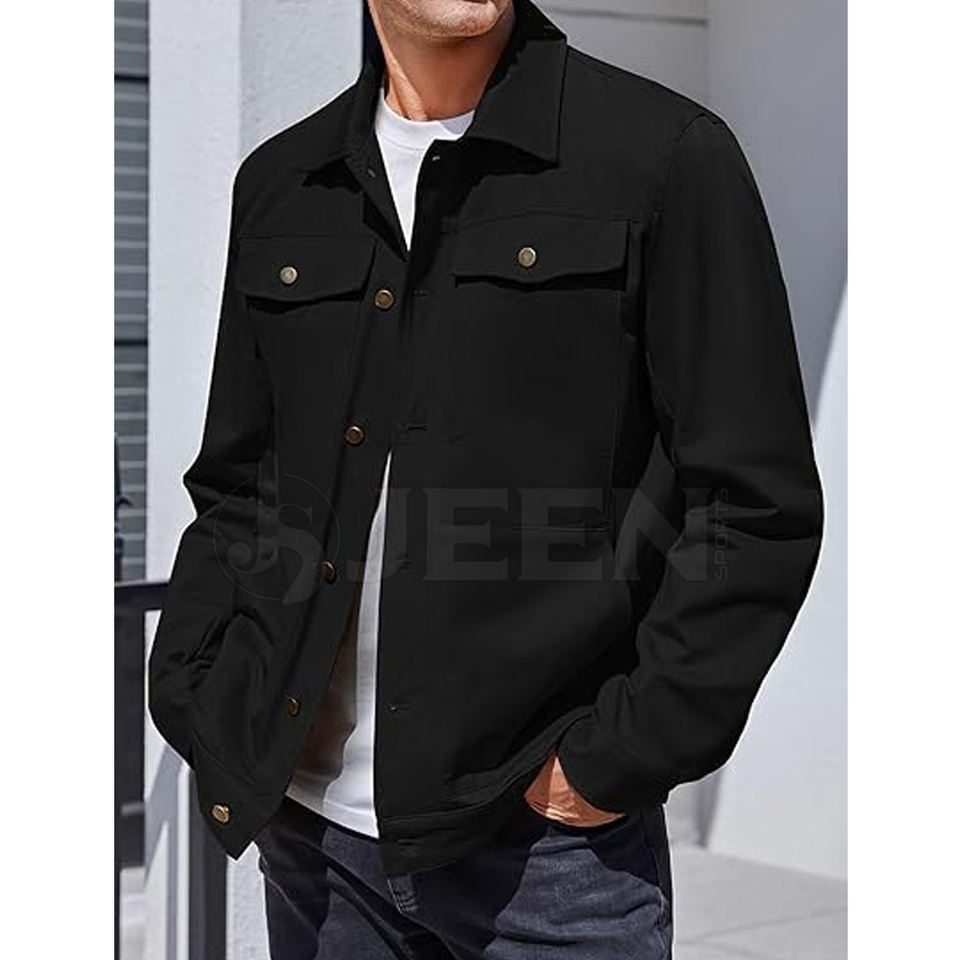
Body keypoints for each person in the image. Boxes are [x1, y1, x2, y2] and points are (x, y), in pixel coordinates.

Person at [148, 0, 825, 956]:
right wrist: (193, 680)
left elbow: (755, 503)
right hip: (315, 844)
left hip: (548, 858)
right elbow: (241, 483)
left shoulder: (664, 156)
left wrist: (623, 754)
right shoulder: (283, 183)